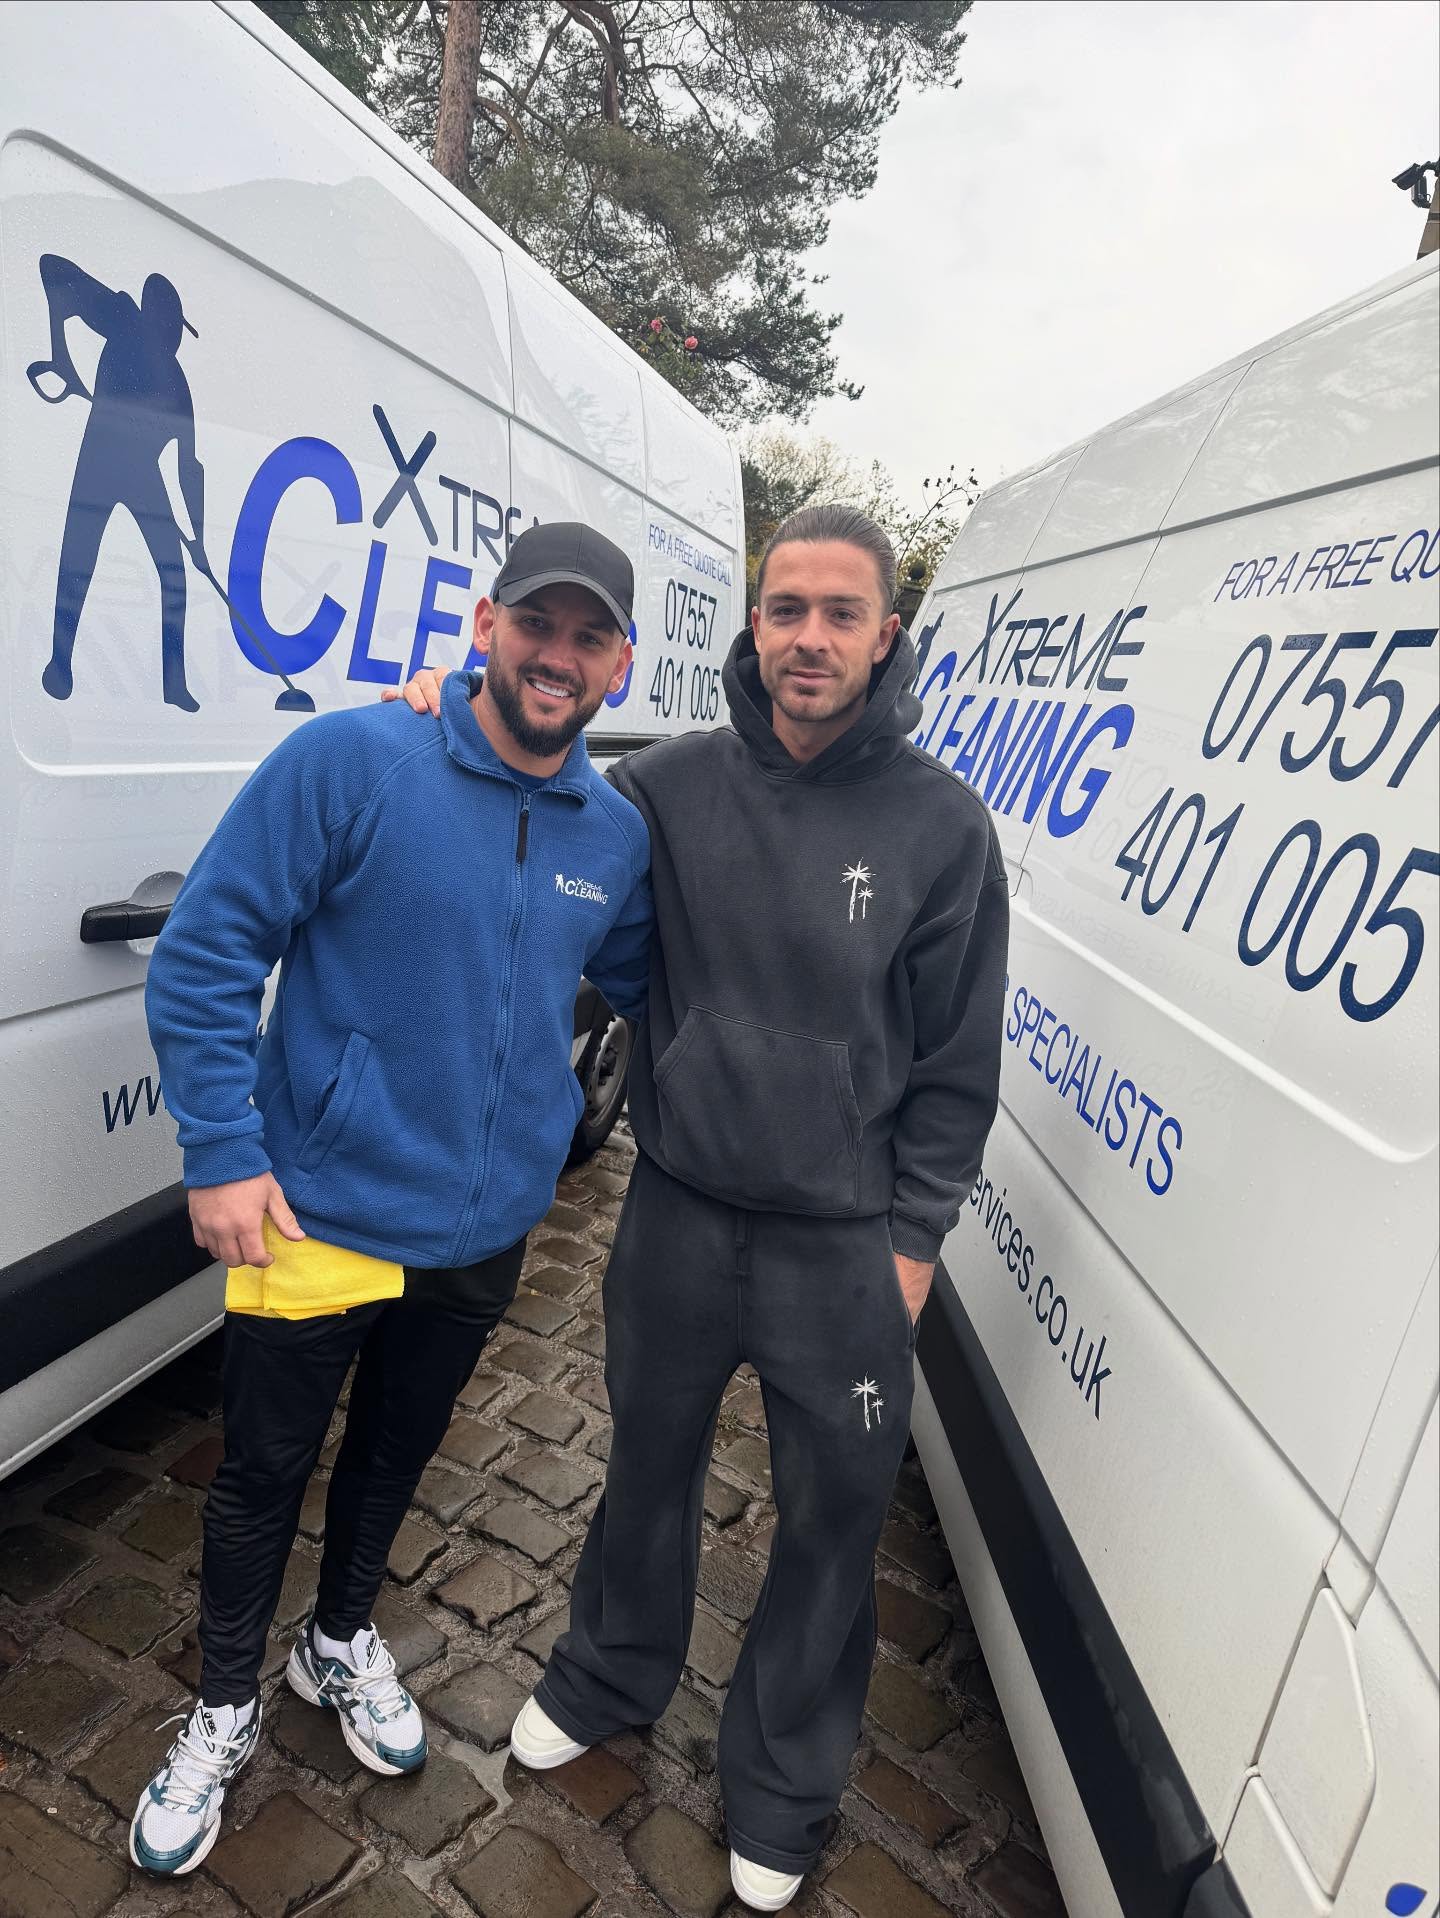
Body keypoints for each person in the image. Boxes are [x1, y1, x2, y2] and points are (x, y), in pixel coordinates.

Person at [394, 503, 1009, 1913]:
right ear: (754, 620)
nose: (806, 637)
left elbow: (959, 1062)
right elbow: (523, 769)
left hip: (844, 1251)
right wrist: (437, 702)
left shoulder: (941, 830)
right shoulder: (664, 785)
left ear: (884, 637)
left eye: (837, 613)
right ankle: (608, 1670)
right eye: (784, 607)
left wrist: (909, 1250)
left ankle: (785, 1779)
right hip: (674, 1211)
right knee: (648, 1465)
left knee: (829, 1523)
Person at [132, 521, 652, 1877]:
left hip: (484, 1227)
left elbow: (668, 986)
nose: (558, 654)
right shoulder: (355, 757)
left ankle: (336, 1640)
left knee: (394, 1451)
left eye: (589, 635)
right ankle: (227, 1703)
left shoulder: (617, 830)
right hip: (318, 1213)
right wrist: (223, 1150)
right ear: (485, 628)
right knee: (261, 1470)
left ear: (621, 663)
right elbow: (204, 949)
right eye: (537, 623)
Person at [29, 254, 208, 711]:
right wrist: (61, 354)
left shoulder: (179, 383)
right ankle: (60, 662)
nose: (173, 335)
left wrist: (198, 537)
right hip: (100, 460)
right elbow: (53, 270)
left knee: (175, 576)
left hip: (143, 473)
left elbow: (189, 466)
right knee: (77, 560)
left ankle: (173, 683)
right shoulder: (124, 318)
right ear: (158, 315)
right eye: (171, 323)